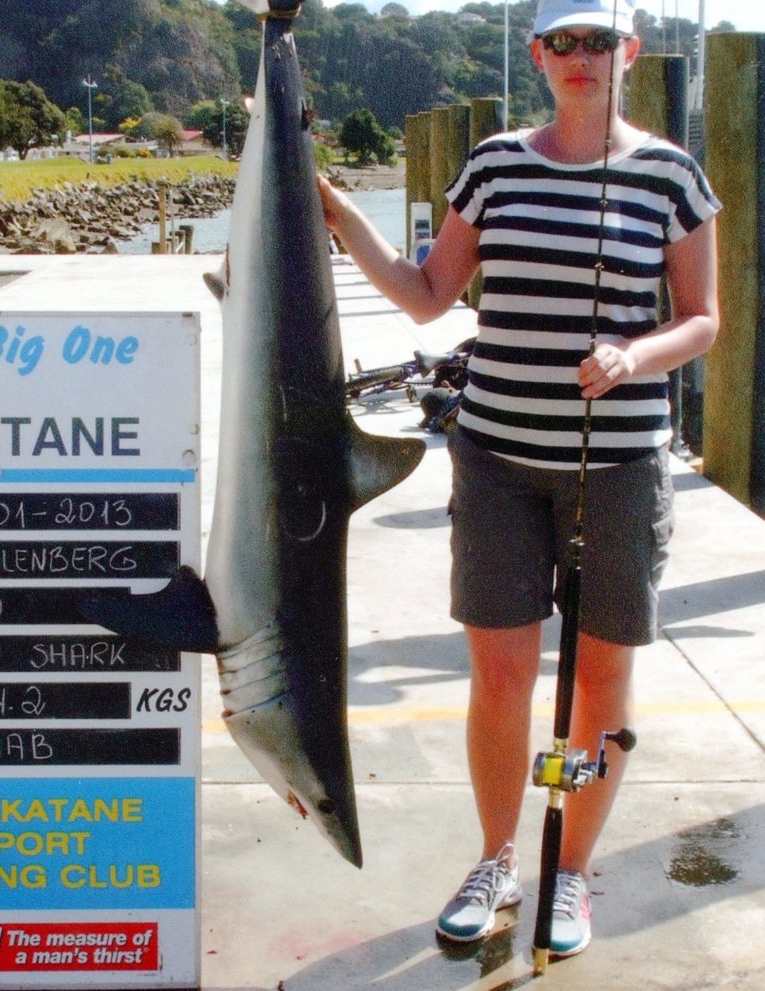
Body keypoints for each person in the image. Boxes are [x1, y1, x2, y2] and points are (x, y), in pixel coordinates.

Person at [318, 0, 720, 960]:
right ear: (539, 56)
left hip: (618, 466)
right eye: (563, 43)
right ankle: (498, 856)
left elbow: (704, 318)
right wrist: (339, 218)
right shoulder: (495, 163)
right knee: (499, 675)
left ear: (627, 52)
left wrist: (637, 353)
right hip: (495, 459)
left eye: (599, 42)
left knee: (599, 676)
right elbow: (426, 295)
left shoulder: (673, 174)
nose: (582, 58)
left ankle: (569, 867)